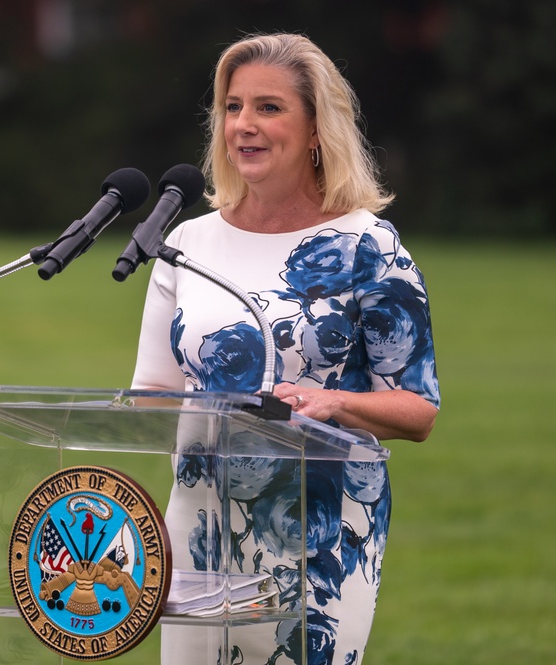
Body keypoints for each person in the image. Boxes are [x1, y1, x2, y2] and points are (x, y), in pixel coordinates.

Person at [129, 33, 440, 665]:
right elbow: (152, 399)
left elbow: (419, 410)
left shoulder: (367, 247)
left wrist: (329, 402)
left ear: (317, 129)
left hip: (320, 535)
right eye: (233, 107)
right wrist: (135, 514)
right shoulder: (185, 242)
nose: (244, 125)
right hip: (198, 525)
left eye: (268, 108)